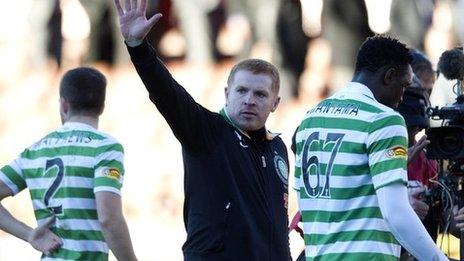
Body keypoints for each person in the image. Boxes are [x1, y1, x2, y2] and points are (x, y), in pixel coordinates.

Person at [113, 0, 290, 260]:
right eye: (242, 91)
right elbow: (167, 93)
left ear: (275, 103)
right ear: (227, 94)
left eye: (260, 94)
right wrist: (139, 49)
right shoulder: (206, 130)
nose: (249, 100)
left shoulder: (277, 147)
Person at [293, 35, 447, 260]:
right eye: (403, 86)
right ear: (389, 76)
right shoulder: (385, 120)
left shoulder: (311, 117)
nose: (402, 97)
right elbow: (396, 213)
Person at [0, 67, 137, 260]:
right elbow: (109, 219)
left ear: (64, 105)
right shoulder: (105, 148)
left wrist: (29, 234)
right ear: (102, 107)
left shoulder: (35, 151)